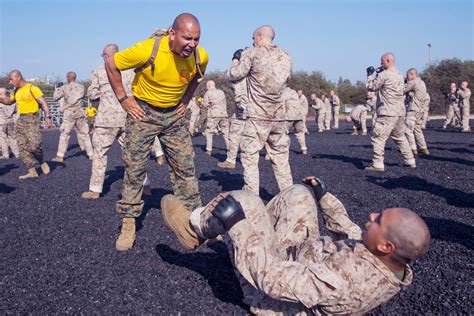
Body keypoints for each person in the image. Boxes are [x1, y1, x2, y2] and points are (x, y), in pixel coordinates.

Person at [160, 176, 431, 315]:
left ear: (386, 246)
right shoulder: (384, 258)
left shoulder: (347, 281)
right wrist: (325, 198)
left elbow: (272, 281)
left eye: (379, 220)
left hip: (271, 296)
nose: (372, 217)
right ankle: (247, 229)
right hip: (302, 257)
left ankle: (194, 229)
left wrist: (239, 225)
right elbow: (350, 233)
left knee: (242, 202)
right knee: (299, 194)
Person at [104, 13, 208, 251]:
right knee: (135, 168)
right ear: (173, 34)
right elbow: (111, 63)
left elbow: (196, 78)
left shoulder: (200, 56)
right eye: (187, 38)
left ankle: (197, 221)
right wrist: (123, 99)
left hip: (173, 116)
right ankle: (129, 223)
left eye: (197, 39)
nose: (192, 44)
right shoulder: (147, 49)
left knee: (185, 168)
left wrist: (185, 100)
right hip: (144, 113)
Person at [82, 44, 158, 199]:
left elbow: (92, 94)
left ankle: (95, 189)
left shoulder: (99, 71)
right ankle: (145, 185)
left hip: (106, 120)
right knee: (134, 155)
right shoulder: (131, 69)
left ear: (105, 57)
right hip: (129, 117)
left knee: (99, 154)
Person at [226, 25, 293, 195]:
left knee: (249, 157)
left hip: (257, 116)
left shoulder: (252, 53)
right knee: (281, 160)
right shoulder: (286, 56)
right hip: (278, 117)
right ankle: (289, 198)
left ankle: (252, 198)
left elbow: (233, 75)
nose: (252, 41)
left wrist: (237, 59)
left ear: (260, 36)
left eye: (254, 38)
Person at [365, 53, 416, 172]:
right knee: (399, 136)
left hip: (387, 112)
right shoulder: (399, 74)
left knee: (378, 137)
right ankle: (410, 160)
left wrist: (369, 75)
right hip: (400, 112)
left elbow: (371, 87)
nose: (381, 63)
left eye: (382, 61)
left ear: (388, 60)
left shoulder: (384, 75)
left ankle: (377, 164)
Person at [0, 70, 53, 179]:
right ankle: (32, 170)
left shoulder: (32, 88)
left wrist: (48, 117)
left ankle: (41, 160)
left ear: (18, 77)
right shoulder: (16, 91)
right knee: (22, 146)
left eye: (11, 79)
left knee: (34, 146)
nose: (10, 82)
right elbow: (9, 101)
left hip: (32, 119)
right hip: (21, 120)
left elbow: (43, 102)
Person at [51, 72, 93, 162]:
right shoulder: (82, 87)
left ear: (68, 77)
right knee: (85, 134)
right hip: (80, 112)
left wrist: (58, 89)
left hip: (69, 113)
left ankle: (60, 156)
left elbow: (55, 97)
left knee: (64, 134)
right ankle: (91, 154)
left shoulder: (64, 87)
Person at [218, 50, 248, 169]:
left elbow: (231, 74)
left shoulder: (241, 72)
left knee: (235, 133)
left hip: (243, 106)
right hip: (260, 106)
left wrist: (235, 60)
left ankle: (231, 159)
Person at [403, 68, 430, 155]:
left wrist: (403, 83)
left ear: (412, 74)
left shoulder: (413, 82)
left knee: (408, 129)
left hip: (413, 109)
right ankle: (423, 148)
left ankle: (413, 148)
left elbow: (403, 90)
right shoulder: (422, 82)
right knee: (417, 129)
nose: (407, 77)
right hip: (420, 110)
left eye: (408, 75)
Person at [202, 80, 229, 155]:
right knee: (226, 133)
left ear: (209, 86)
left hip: (214, 115)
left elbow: (205, 104)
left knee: (208, 132)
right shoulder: (221, 92)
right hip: (224, 114)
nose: (206, 88)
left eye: (207, 86)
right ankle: (230, 149)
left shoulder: (208, 93)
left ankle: (209, 150)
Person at [284, 87, 307, 154]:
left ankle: (285, 149)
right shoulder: (294, 91)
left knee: (283, 133)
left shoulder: (282, 92)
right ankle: (303, 148)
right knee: (299, 132)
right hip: (299, 115)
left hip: (289, 116)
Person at [0, 88, 19, 159]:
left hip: (1, 123)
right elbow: (17, 112)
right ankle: (17, 153)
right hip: (11, 122)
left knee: (3, 138)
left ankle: (5, 154)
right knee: (13, 138)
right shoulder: (12, 101)